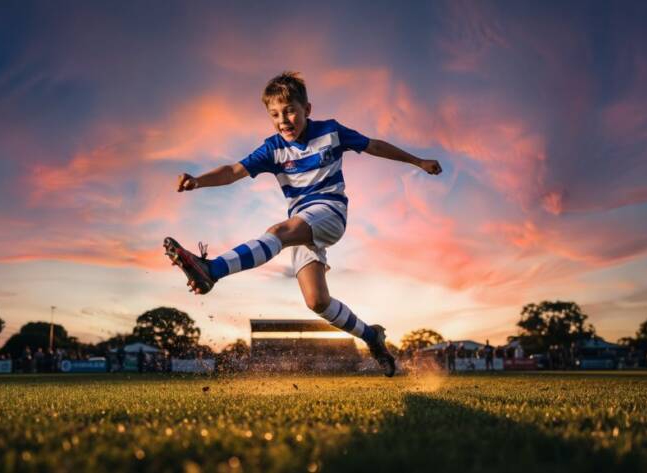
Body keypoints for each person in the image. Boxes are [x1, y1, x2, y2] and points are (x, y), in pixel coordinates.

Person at [164, 72, 442, 377]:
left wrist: (418, 161)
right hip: (302, 223)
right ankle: (371, 336)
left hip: (330, 211)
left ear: (307, 109)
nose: (283, 119)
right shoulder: (272, 149)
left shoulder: (331, 131)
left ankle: (213, 269)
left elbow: (373, 145)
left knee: (279, 232)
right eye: (274, 114)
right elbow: (233, 171)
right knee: (317, 301)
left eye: (290, 110)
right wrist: (198, 182)